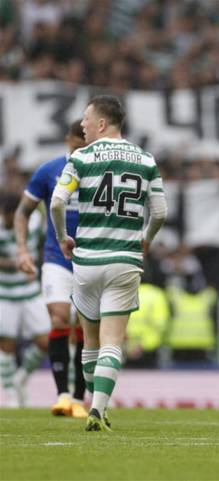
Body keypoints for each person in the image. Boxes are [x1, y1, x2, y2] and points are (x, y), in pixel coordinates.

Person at [50, 95, 167, 431]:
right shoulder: (145, 159)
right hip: (125, 259)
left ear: (102, 123)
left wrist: (62, 237)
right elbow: (159, 212)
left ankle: (93, 403)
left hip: (87, 259)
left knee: (90, 341)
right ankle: (98, 408)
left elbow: (58, 203)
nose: (82, 125)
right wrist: (146, 238)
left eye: (86, 119)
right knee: (113, 341)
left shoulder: (80, 157)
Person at [14, 120, 88, 417]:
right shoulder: (49, 171)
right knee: (59, 319)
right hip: (57, 257)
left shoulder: (100, 172)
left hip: (91, 258)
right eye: (77, 143)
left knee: (85, 327)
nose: (81, 149)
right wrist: (22, 250)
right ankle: (62, 395)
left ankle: (80, 400)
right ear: (68, 139)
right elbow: (22, 212)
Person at [0, 193, 49, 408]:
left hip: (30, 291)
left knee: (46, 341)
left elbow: (42, 241)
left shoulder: (35, 221)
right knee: (8, 345)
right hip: (6, 293)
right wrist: (17, 263)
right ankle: (12, 395)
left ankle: (21, 377)